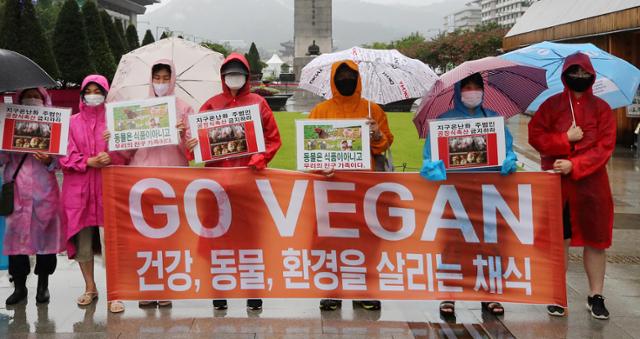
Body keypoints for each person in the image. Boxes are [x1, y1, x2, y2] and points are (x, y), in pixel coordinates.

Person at [186, 53, 282, 311]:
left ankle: (253, 292)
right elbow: (194, 147)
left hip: (248, 182)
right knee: (216, 239)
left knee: (250, 239)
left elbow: (273, 139)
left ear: (246, 76)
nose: (234, 78)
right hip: (216, 185)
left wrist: (261, 157)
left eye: (238, 73)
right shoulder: (210, 105)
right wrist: (192, 146)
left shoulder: (258, 103)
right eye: (229, 74)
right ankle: (218, 291)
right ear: (223, 77)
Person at [420, 72, 518, 317]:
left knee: (491, 243)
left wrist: (509, 160)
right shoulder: (444, 120)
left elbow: (508, 150)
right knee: (452, 243)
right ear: (457, 91)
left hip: (489, 192)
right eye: (467, 87)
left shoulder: (494, 118)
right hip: (455, 192)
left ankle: (490, 294)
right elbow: (429, 157)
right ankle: (449, 295)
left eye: (477, 86)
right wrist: (432, 167)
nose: (472, 91)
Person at [528, 52, 615, 320]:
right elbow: (536, 135)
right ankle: (557, 294)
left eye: (583, 74)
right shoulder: (551, 105)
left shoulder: (602, 109)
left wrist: (575, 165)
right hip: (558, 187)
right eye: (574, 74)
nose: (579, 78)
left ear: (591, 76)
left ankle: (596, 295)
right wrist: (564, 139)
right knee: (560, 239)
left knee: (596, 240)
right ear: (565, 76)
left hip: (593, 187)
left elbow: (605, 147)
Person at [308, 60, 394, 311]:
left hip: (364, 187)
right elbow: (311, 151)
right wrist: (318, 168)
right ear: (333, 80)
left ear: (358, 79)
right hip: (331, 186)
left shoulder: (373, 110)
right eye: (341, 75)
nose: (346, 79)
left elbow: (384, 144)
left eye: (350, 75)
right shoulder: (320, 111)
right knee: (330, 239)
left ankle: (363, 290)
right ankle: (332, 290)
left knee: (365, 239)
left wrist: (377, 134)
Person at [125, 60, 194, 308]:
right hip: (141, 178)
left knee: (170, 235)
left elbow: (193, 151)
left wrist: (183, 134)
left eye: (166, 78)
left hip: (172, 179)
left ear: (172, 79)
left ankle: (165, 286)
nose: (162, 83)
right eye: (158, 78)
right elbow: (126, 150)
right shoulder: (137, 109)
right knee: (144, 236)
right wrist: (117, 136)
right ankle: (147, 286)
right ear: (150, 79)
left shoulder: (184, 109)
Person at [59, 75, 129, 314]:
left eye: (97, 90)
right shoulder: (72, 122)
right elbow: (64, 156)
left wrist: (114, 154)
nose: (92, 95)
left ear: (105, 94)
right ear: (81, 94)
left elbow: (128, 154)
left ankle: (115, 293)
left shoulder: (116, 120)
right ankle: (90, 287)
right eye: (87, 90)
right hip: (79, 193)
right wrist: (88, 161)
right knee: (84, 244)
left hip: (108, 190)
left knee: (113, 243)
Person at [0, 87, 66, 305]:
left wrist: (49, 161)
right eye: (28, 96)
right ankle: (19, 286)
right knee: (17, 242)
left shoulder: (54, 123)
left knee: (45, 241)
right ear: (19, 99)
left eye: (37, 96)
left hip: (44, 192)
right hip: (17, 190)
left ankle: (43, 285)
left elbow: (61, 160)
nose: (32, 100)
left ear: (44, 99)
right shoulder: (9, 122)